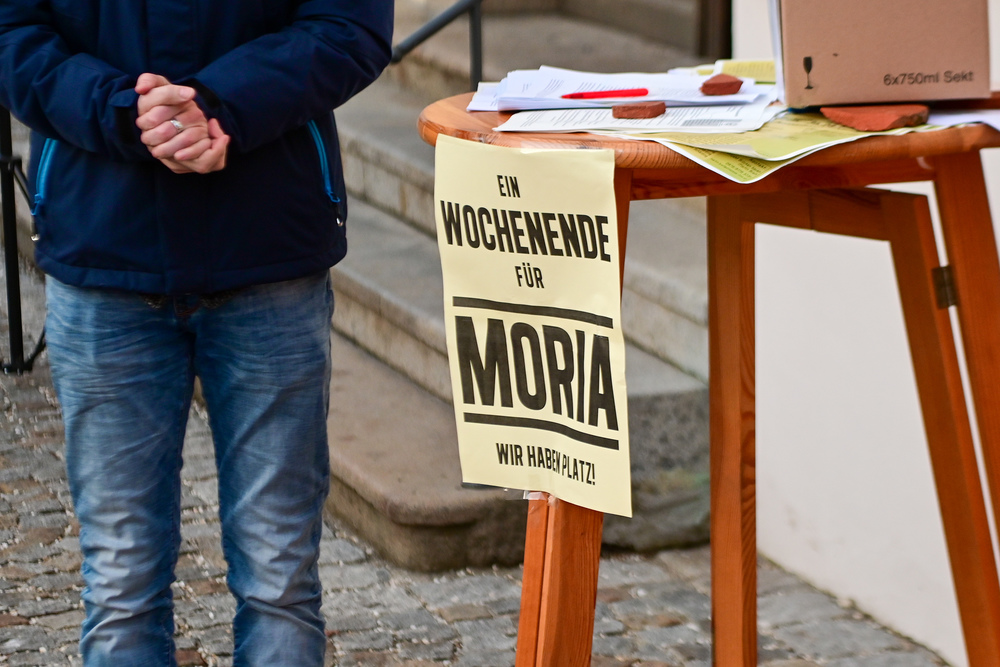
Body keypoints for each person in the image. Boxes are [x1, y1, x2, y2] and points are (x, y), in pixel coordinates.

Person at [0, 1, 393, 665]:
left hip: (264, 242)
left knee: (278, 577)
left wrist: (220, 106)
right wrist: (121, 109)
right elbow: (11, 30)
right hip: (106, 242)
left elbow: (349, 23)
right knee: (121, 583)